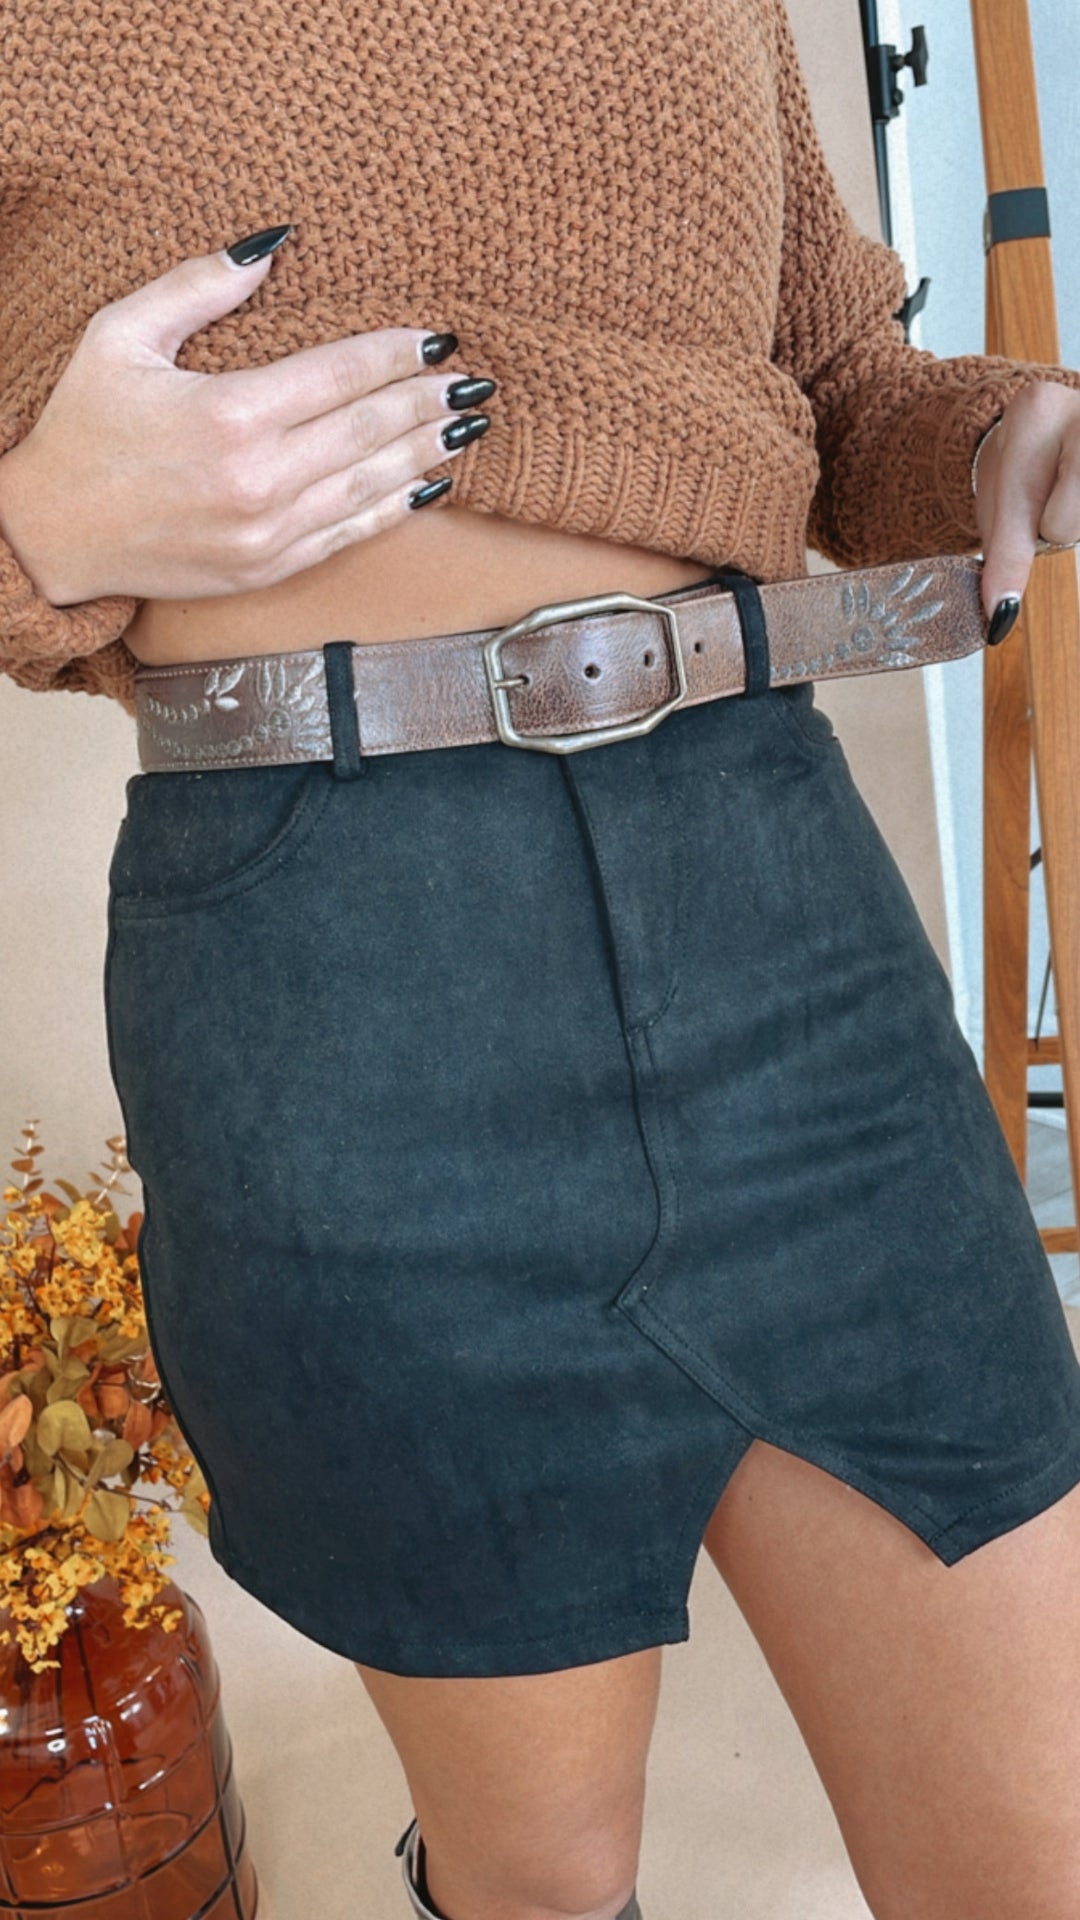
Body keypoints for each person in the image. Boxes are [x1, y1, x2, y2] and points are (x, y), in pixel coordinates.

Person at [3, 3, 1080, 1916]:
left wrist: (1007, 434)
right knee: (543, 1880)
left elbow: (833, 381)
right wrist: (34, 521)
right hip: (333, 980)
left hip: (773, 901)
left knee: (1040, 1861)